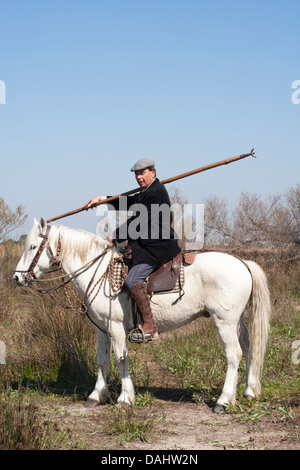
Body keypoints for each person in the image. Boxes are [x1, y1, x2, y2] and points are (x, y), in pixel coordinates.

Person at [84, 159, 181, 342]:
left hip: (156, 246)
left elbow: (140, 221)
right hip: (144, 243)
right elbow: (128, 202)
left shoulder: (156, 193)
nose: (139, 177)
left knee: (132, 279)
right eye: (136, 174)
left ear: (153, 172)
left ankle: (150, 327)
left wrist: (115, 235)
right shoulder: (146, 192)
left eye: (142, 173)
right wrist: (103, 199)